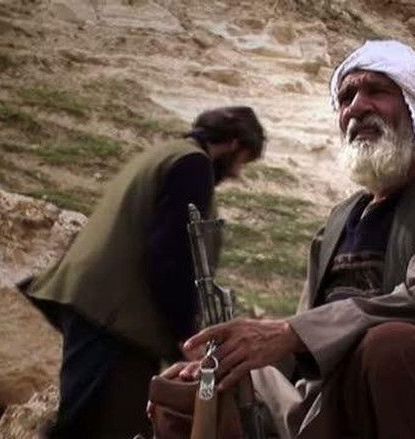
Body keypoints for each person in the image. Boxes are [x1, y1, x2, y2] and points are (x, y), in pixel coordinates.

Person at [164, 41, 415, 438]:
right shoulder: (339, 222)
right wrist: (225, 362)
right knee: (195, 392)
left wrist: (289, 332)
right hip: (344, 400)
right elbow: (302, 343)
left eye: (377, 91)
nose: (357, 107)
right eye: (346, 97)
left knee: (393, 345)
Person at [18, 106, 265, 438]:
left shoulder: (167, 153)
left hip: (101, 308)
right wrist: (186, 334)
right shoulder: (193, 165)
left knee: (89, 420)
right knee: (92, 426)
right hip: (116, 318)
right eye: (242, 162)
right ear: (235, 144)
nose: (236, 173)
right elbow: (172, 253)